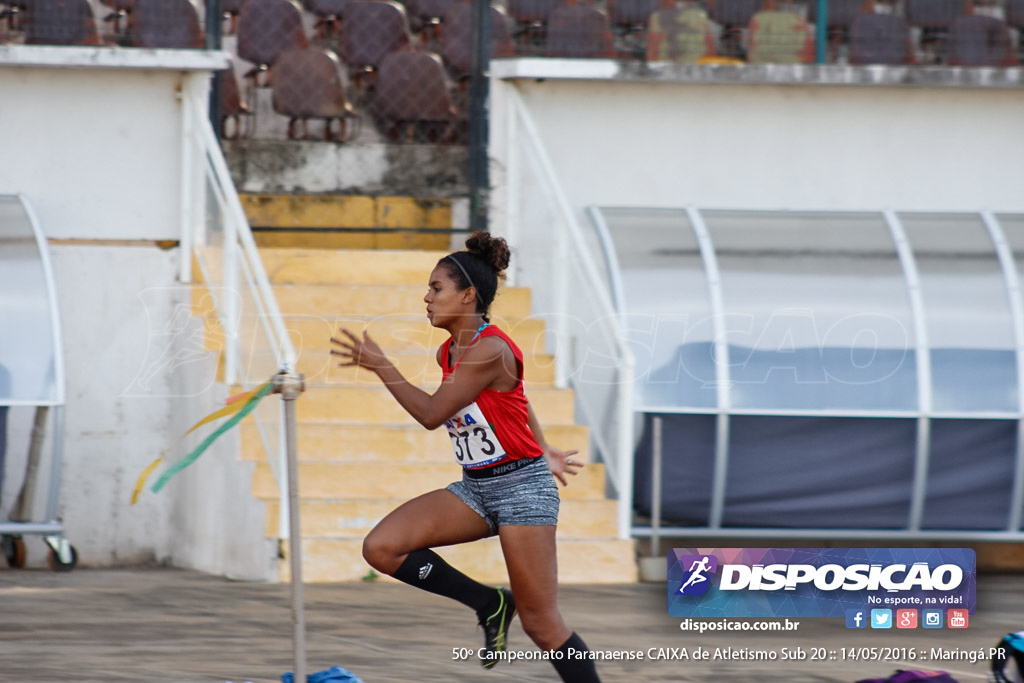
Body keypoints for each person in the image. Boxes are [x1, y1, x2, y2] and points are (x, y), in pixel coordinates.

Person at [330, 232, 602, 682]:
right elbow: (514, 398)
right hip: (477, 486)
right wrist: (543, 444)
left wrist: (383, 365)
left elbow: (434, 414)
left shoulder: (490, 347)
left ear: (468, 295)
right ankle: (489, 603)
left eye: (437, 288)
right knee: (382, 547)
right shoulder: (451, 350)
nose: (427, 297)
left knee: (542, 625)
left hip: (521, 491)